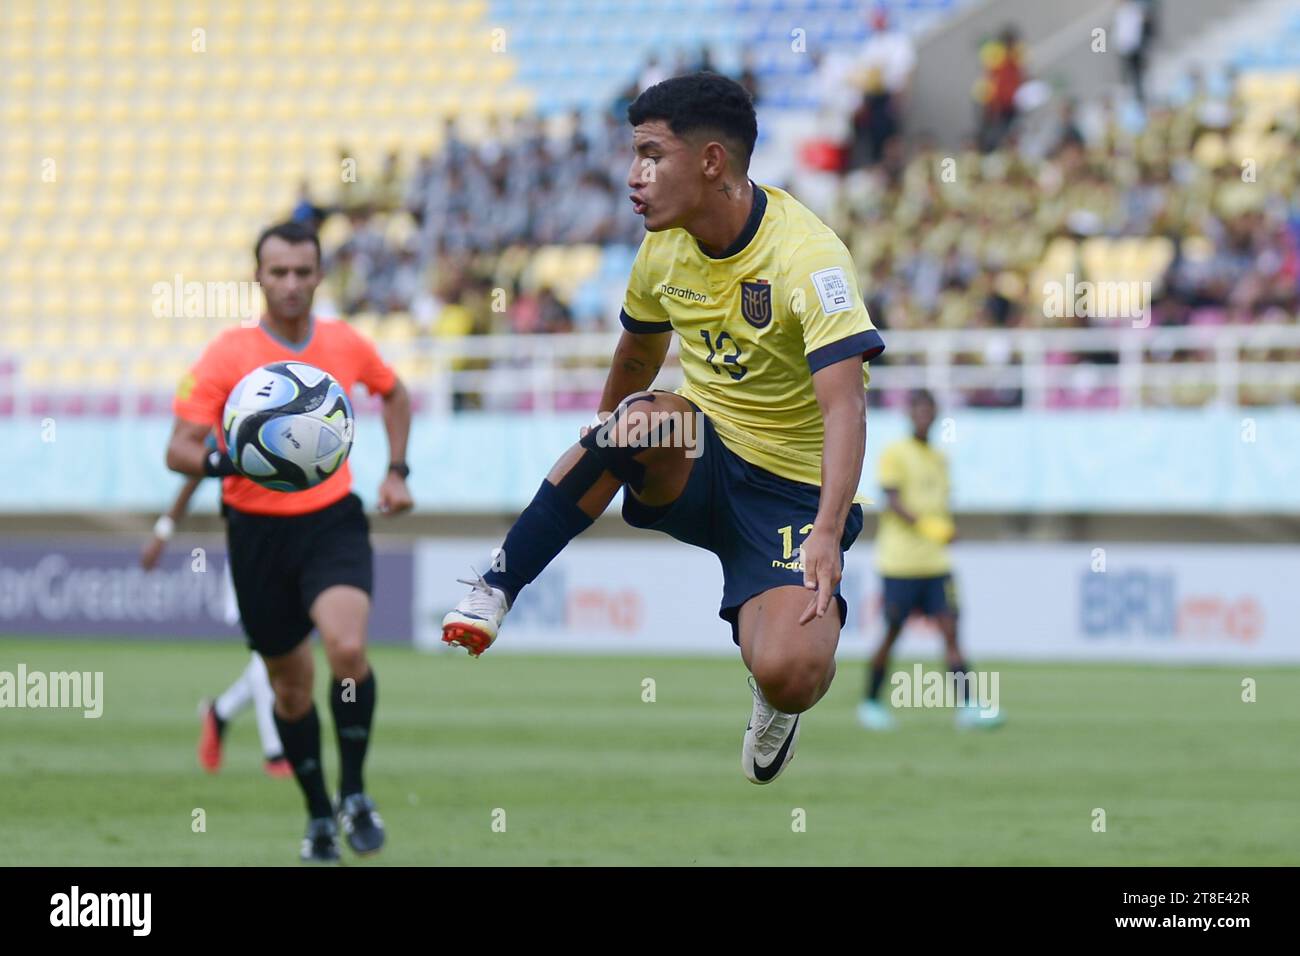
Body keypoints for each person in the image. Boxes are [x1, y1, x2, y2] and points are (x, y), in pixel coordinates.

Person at [441, 73, 885, 784]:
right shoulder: (664, 248)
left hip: (794, 498)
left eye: (651, 155)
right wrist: (600, 455)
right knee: (639, 424)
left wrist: (828, 531)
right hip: (700, 452)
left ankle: (776, 702)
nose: (633, 177)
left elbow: (845, 408)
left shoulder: (809, 259)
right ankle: (497, 582)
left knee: (791, 670)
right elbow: (637, 358)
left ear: (711, 162)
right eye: (633, 155)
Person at [165, 221, 414, 862]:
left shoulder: (345, 343)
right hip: (257, 536)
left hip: (332, 521)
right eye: (279, 272)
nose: (292, 283)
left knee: (348, 647)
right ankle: (317, 816)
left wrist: (396, 469)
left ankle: (354, 791)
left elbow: (395, 393)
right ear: (259, 277)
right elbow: (179, 451)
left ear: (319, 275)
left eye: (303, 271)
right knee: (291, 691)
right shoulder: (227, 354)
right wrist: (237, 459)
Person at [858, 390, 1003, 731]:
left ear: (936, 415)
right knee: (892, 633)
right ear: (909, 414)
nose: (924, 416)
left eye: (930, 411)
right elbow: (891, 500)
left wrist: (944, 528)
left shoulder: (940, 457)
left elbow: (943, 505)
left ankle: (968, 707)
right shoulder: (895, 453)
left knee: (952, 632)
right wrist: (930, 526)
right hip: (900, 563)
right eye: (919, 410)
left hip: (937, 564)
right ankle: (871, 703)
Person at [140, 474, 291, 778]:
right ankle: (277, 754)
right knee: (266, 653)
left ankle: (219, 713)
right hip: (250, 552)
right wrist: (163, 531)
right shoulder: (232, 429)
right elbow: (195, 469)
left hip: (299, 549)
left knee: (284, 655)